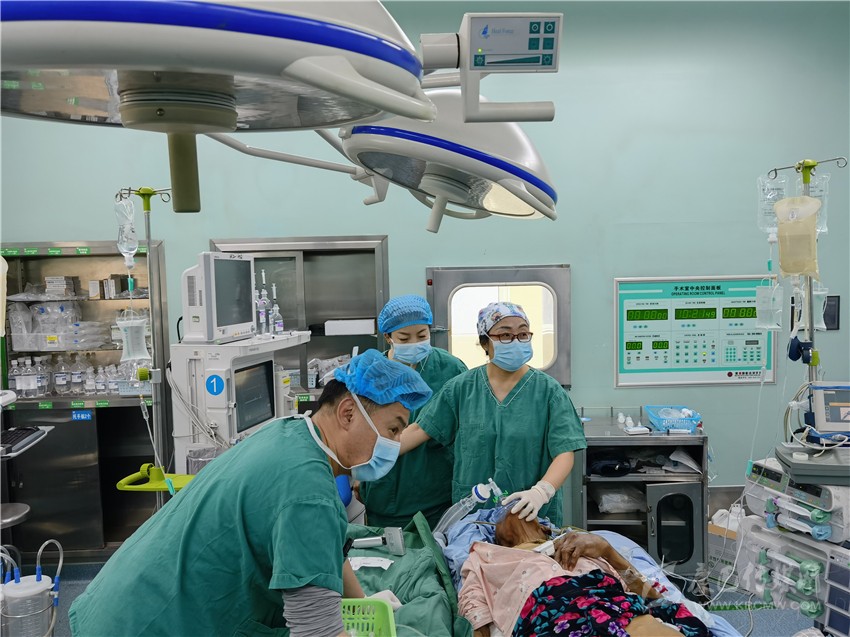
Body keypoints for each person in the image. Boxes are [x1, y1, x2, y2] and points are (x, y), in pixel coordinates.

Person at [68, 349, 432, 637]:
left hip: (120, 600)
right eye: (393, 429)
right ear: (348, 413)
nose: (396, 442)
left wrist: (364, 602)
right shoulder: (307, 491)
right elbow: (316, 630)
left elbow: (326, 551)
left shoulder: (291, 433)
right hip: (148, 623)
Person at [400, 301, 586, 526]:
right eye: (505, 335)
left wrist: (541, 491)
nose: (516, 341)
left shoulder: (549, 391)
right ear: (484, 342)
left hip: (530, 516)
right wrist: (376, 454)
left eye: (523, 334)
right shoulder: (461, 388)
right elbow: (420, 429)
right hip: (474, 517)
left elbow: (565, 452)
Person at [460, 511, 710, 637]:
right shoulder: (487, 556)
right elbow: (475, 613)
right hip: (548, 612)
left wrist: (608, 551)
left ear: (545, 529)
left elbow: (651, 597)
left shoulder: (580, 547)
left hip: (609, 601)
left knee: (644, 626)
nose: (513, 514)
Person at [359, 294, 468, 528]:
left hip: (436, 494)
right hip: (383, 493)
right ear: (388, 337)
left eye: (422, 335)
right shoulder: (370, 374)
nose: (414, 343)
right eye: (404, 338)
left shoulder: (450, 369)